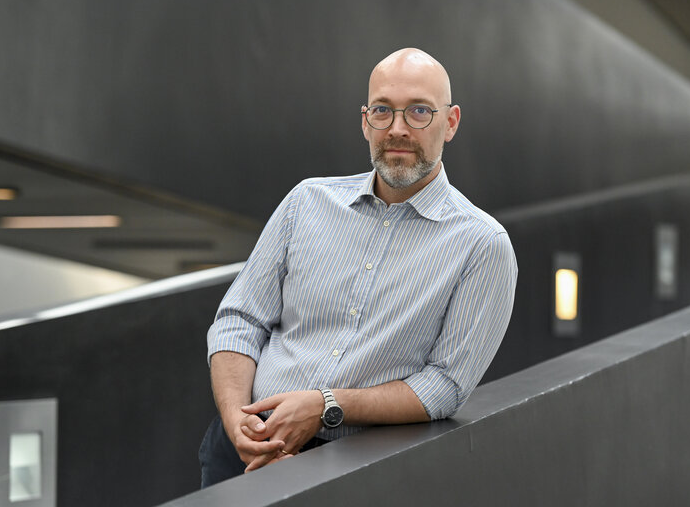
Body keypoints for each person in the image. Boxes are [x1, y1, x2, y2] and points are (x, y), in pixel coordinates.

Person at [199, 47, 517, 486]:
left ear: (451, 122)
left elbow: (444, 386)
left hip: (353, 470)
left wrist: (327, 406)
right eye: (383, 111)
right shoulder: (305, 202)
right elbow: (239, 320)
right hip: (241, 451)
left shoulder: (482, 244)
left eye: (419, 111)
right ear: (365, 121)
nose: (398, 129)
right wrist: (237, 420)